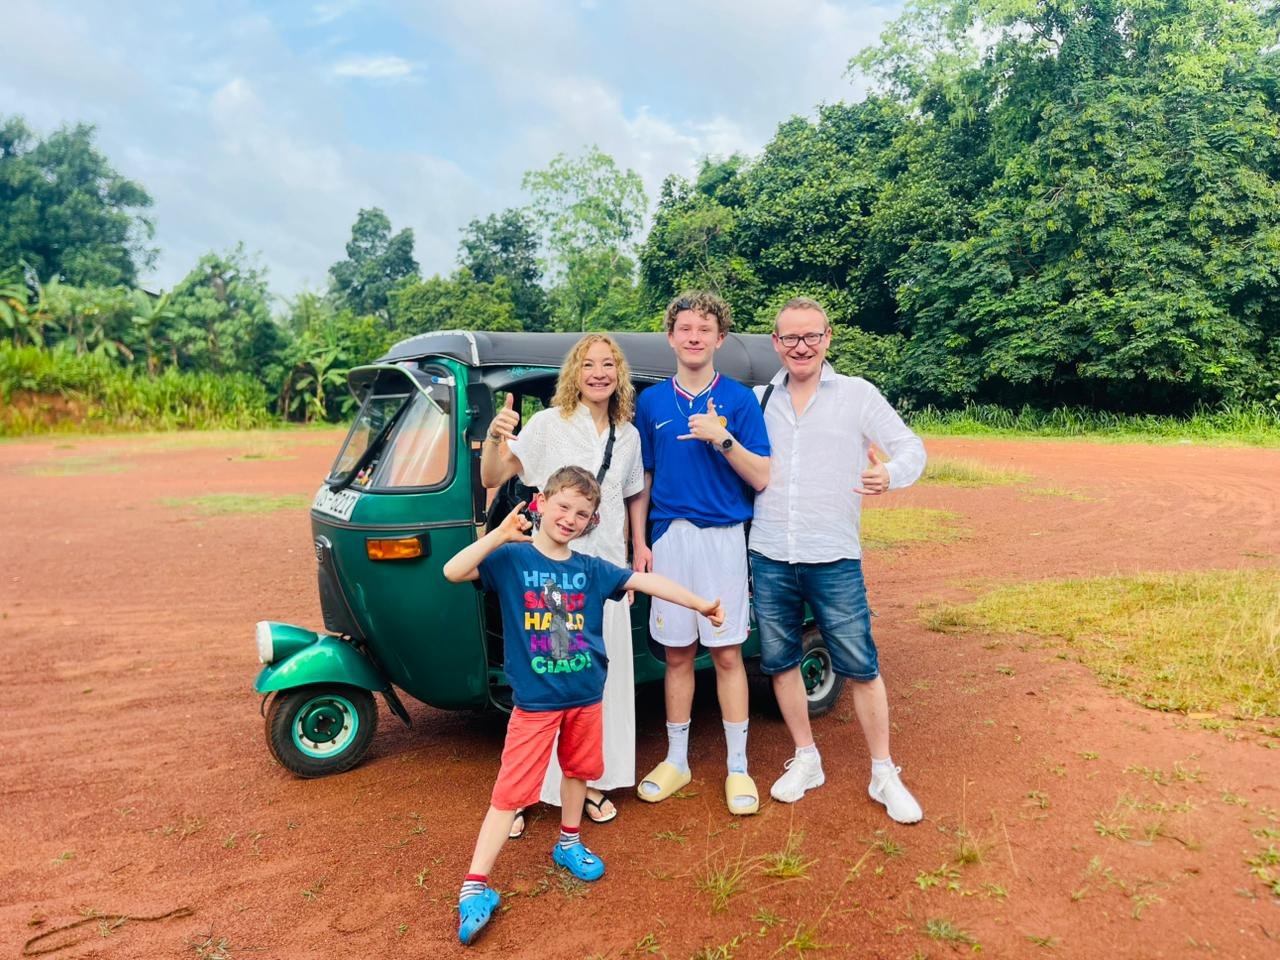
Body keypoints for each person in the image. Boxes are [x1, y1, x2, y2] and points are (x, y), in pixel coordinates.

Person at [444, 466, 724, 945]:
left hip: (585, 697)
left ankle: (569, 842)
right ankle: (475, 885)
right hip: (535, 704)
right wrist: (500, 534)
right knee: (510, 793)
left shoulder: (591, 569)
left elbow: (646, 583)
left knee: (578, 771)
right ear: (541, 502)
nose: (570, 518)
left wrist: (700, 604)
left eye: (582, 513)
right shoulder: (511, 559)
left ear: (592, 521)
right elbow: (453, 571)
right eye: (563, 506)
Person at [749, 297, 927, 823]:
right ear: (776, 343)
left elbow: (911, 447)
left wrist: (890, 473)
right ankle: (806, 757)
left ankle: (883, 771)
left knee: (862, 666)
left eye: (812, 336)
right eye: (790, 338)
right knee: (780, 662)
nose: (801, 347)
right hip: (770, 552)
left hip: (833, 554)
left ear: (827, 338)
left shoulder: (857, 394)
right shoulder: (760, 399)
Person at [480, 334, 645, 836]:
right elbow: (493, 476)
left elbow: (632, 494)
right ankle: (524, 793)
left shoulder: (628, 435)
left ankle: (589, 782)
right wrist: (495, 437)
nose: (598, 373)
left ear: (619, 374)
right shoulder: (548, 424)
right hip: (549, 574)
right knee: (547, 680)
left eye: (608, 365)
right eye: (588, 364)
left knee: (598, 682)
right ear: (574, 372)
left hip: (605, 569)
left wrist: (637, 549)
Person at [631, 291, 771, 815]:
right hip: (669, 539)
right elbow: (643, 479)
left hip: (722, 537)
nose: (694, 337)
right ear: (671, 337)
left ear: (720, 338)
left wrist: (722, 438)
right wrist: (640, 542)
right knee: (676, 654)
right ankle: (677, 760)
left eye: (705, 329)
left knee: (728, 652)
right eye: (685, 328)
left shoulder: (739, 399)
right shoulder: (650, 402)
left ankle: (738, 766)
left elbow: (762, 475)